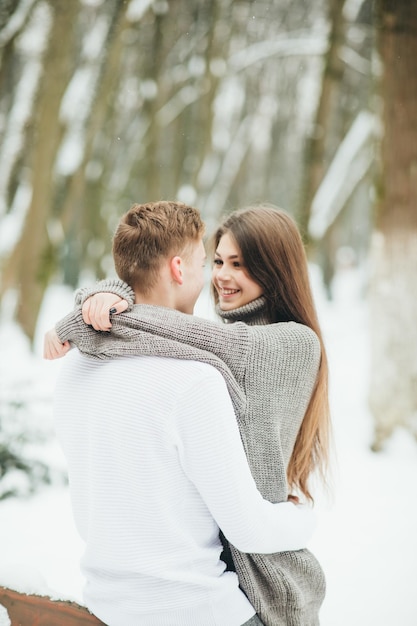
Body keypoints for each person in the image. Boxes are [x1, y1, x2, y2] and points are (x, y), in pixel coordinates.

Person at [45, 203, 330, 626]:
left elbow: (200, 337)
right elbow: (248, 529)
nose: (217, 276)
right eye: (210, 261)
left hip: (107, 603)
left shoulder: (75, 368)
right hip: (199, 607)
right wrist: (303, 519)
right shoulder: (196, 379)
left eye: (240, 264)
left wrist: (94, 310)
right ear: (179, 269)